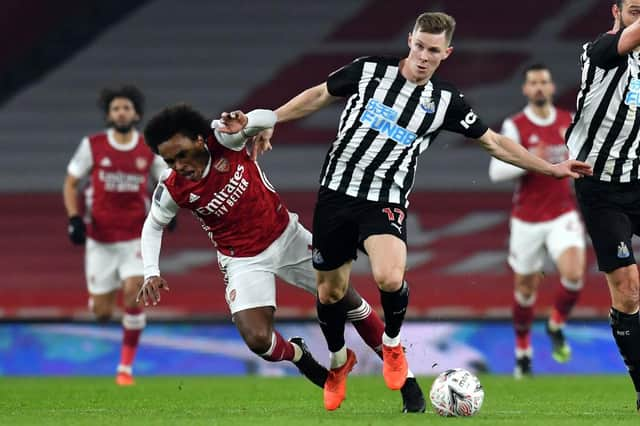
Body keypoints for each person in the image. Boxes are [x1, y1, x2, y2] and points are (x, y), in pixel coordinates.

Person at [251, 11, 592, 411]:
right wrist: (272, 118)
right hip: (336, 194)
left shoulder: (446, 101)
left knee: (389, 276)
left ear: (446, 53)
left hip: (386, 197)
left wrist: (551, 168)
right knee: (331, 290)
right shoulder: (368, 72)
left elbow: (494, 142)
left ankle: (392, 345)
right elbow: (320, 94)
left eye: (434, 50)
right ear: (409, 40)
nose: (424, 57)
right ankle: (339, 361)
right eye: (419, 46)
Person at [137, 104, 426, 413]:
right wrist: (150, 271)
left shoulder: (224, 140)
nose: (179, 165)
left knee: (347, 301)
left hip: (286, 236)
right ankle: (301, 356)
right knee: (258, 340)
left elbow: (267, 117)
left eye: (182, 155)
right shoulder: (172, 188)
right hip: (242, 259)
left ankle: (408, 383)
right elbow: (153, 225)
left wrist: (248, 122)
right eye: (170, 160)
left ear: (197, 140)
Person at [63, 85, 168, 386]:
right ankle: (99, 304)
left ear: (136, 113)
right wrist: (74, 218)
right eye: (116, 108)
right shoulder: (93, 145)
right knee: (102, 312)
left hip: (136, 237)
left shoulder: (148, 148)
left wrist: (167, 214)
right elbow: (71, 183)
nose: (121, 112)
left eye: (126, 108)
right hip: (100, 240)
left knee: (135, 291)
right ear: (109, 115)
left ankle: (125, 369)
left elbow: (165, 182)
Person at [489, 64, 586, 378]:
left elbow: (587, 156)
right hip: (527, 219)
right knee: (526, 290)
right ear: (525, 90)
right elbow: (496, 172)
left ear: (552, 86)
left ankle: (556, 323)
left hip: (562, 212)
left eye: (544, 81)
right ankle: (523, 352)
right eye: (534, 83)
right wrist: (532, 159)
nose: (540, 87)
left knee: (573, 274)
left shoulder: (568, 121)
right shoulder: (515, 125)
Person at [566, 0, 640, 411]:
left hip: (638, 178)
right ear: (616, 12)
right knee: (628, 292)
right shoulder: (600, 51)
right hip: (600, 186)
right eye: (634, 9)